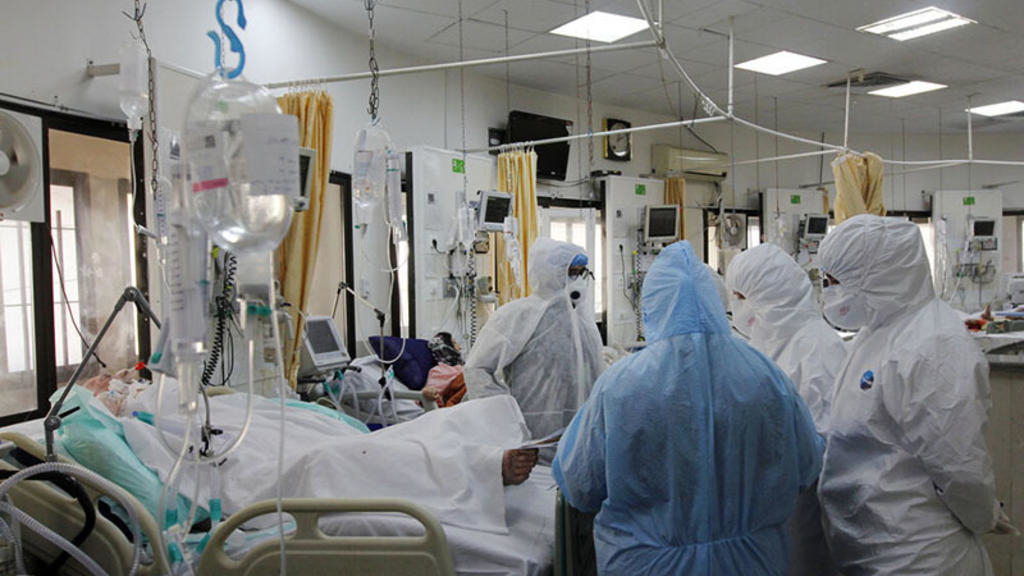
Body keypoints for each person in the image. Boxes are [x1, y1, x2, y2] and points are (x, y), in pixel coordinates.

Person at [552, 241, 822, 575]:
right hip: (751, 563)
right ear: (715, 302)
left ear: (651, 306)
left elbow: (579, 485)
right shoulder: (766, 374)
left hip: (649, 565)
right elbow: (807, 466)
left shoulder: (621, 386)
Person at [817, 215, 999, 575]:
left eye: (837, 281)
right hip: (870, 547)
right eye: (827, 281)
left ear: (879, 275)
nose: (830, 292)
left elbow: (959, 464)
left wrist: (985, 515)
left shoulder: (935, 344)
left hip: (922, 555)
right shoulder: (876, 331)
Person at [727, 243, 846, 576]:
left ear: (770, 296)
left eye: (741, 297)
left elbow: (823, 443)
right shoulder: (769, 341)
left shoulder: (818, 348)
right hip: (771, 503)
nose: (737, 308)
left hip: (805, 505)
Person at [464, 238, 604, 463]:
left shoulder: (584, 322)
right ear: (548, 273)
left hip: (582, 439)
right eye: (571, 273)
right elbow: (477, 369)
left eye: (582, 273)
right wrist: (504, 417)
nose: (577, 280)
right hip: (530, 440)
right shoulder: (518, 316)